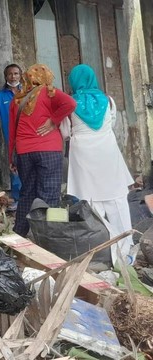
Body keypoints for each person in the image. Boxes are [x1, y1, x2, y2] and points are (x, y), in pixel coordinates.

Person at [66, 64, 134, 264]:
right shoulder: (109, 101)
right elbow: (112, 124)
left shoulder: (70, 103)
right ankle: (125, 248)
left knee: (90, 201)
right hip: (107, 152)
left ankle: (102, 248)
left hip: (83, 155)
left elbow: (64, 130)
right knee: (116, 198)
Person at [8, 64, 76, 237]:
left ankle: (19, 235)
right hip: (49, 150)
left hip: (24, 152)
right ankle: (49, 237)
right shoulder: (49, 91)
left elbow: (11, 132)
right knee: (50, 194)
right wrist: (54, 120)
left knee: (27, 193)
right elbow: (70, 103)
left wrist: (11, 158)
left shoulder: (17, 99)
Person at [0, 64, 23, 210]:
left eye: (16, 73)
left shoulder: (28, 93)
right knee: (14, 166)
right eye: (10, 74)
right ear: (6, 76)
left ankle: (32, 198)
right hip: (11, 138)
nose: (13, 77)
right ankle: (17, 198)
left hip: (28, 136)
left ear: (21, 75)